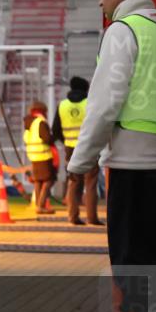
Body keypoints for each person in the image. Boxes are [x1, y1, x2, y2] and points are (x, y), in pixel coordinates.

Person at [67, 0, 156, 312]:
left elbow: (105, 104)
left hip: (131, 163)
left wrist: (79, 162)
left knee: (130, 253)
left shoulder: (123, 31)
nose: (100, 1)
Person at [52, 76, 99, 225]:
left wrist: (66, 140)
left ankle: (73, 216)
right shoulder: (90, 103)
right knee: (90, 181)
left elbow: (55, 130)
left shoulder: (62, 105)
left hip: (70, 148)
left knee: (73, 181)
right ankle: (92, 217)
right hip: (89, 145)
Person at [23, 101, 55, 215]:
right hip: (43, 155)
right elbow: (46, 138)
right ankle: (41, 205)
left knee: (38, 181)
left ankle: (38, 205)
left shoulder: (28, 123)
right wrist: (53, 137)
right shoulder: (40, 122)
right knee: (48, 180)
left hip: (33, 155)